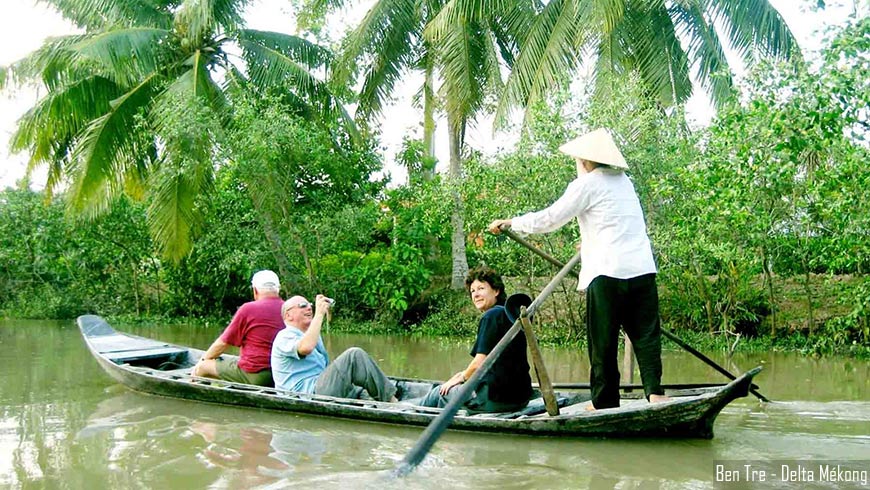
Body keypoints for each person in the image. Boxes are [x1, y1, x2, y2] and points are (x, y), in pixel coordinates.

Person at [488, 128, 669, 410]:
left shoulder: (586, 184)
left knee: (603, 341)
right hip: (642, 268)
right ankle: (655, 394)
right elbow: (615, 222)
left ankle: (604, 402)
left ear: (585, 161)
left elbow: (550, 219)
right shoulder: (625, 182)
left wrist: (511, 222)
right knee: (646, 335)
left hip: (607, 273)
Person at [418, 266, 532, 412]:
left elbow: (479, 364)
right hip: (520, 398)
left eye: (481, 289)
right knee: (454, 383)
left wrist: (462, 377)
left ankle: (409, 413)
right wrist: (463, 374)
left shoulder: (491, 316)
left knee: (439, 393)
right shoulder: (512, 317)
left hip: (496, 399)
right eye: (473, 291)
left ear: (496, 291)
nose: (476, 295)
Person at [271, 294, 398, 402]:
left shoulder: (311, 334)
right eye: (303, 306)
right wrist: (319, 314)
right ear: (288, 315)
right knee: (353, 356)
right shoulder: (284, 336)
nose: (309, 307)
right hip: (306, 394)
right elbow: (305, 348)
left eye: (310, 304)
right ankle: (392, 402)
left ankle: (385, 397)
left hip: (319, 386)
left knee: (360, 388)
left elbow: (325, 366)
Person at [192, 270, 284, 386]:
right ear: (278, 289)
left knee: (203, 367)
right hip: (280, 375)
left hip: (256, 376)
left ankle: (201, 399)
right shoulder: (288, 309)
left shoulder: (248, 309)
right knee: (224, 361)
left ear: (255, 290)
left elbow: (222, 344)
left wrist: (201, 361)